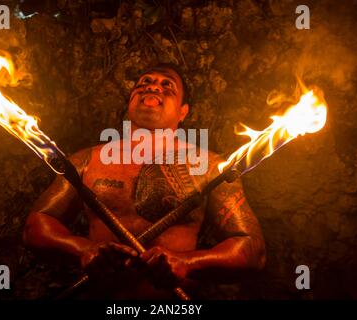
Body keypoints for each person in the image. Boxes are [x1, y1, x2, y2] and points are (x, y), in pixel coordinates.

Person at [23, 64, 266, 299]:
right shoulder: (86, 160)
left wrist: (188, 263)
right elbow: (36, 226)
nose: (153, 87)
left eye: (167, 85)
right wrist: (82, 250)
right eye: (145, 82)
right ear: (129, 103)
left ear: (183, 111)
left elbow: (253, 249)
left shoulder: (213, 168)